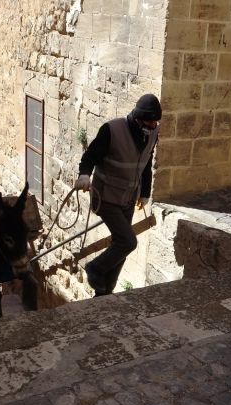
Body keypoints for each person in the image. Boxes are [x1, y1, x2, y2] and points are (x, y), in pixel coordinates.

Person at [74, 93, 162, 296]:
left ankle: (105, 291)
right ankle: (94, 269)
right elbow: (90, 156)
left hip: (128, 199)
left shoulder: (152, 133)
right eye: (149, 122)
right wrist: (84, 175)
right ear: (139, 118)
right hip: (105, 197)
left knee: (120, 246)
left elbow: (147, 163)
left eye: (155, 123)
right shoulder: (112, 130)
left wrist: (145, 193)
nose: (152, 126)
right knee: (128, 242)